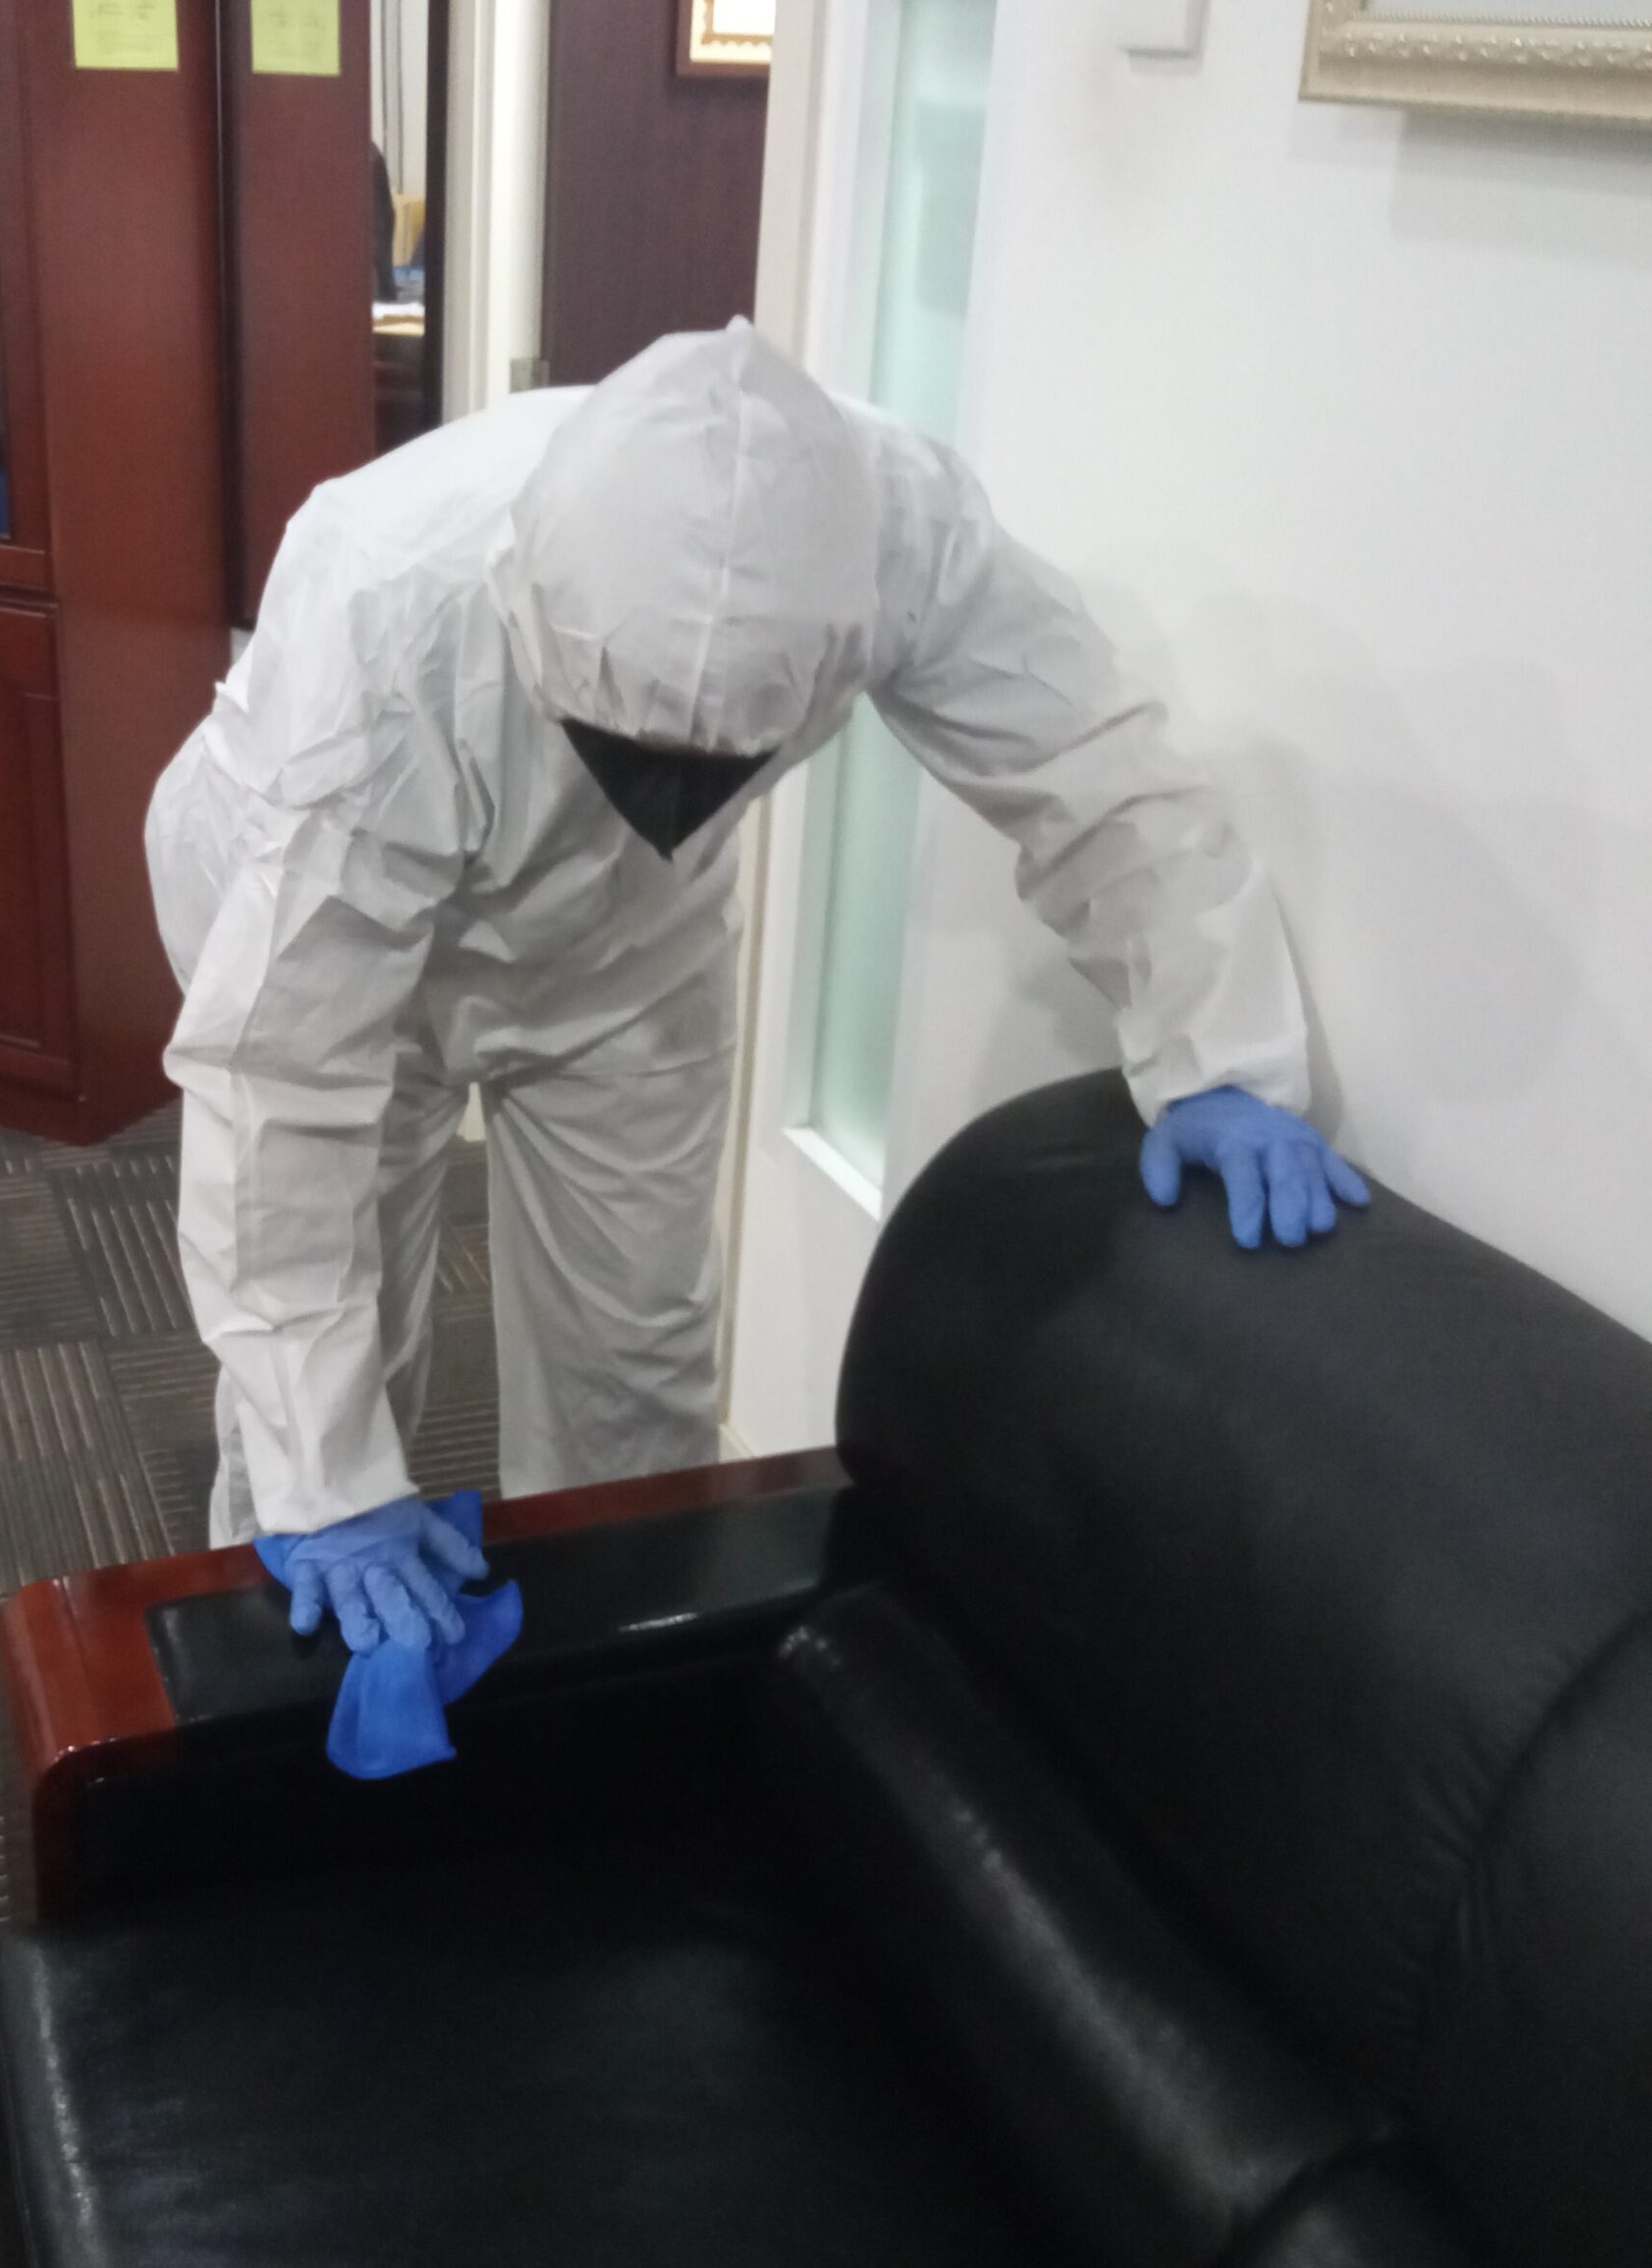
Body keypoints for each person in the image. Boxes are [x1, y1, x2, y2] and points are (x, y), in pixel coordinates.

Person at [146, 320, 1365, 1658]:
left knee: (633, 1369)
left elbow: (1091, 770)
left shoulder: (895, 529)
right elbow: (285, 1084)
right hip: (313, 919)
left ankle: (625, 1692)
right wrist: (333, 1484)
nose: (663, 796)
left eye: (708, 761)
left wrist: (1217, 1054)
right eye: (626, 742)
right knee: (334, 1359)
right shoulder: (388, 597)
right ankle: (266, 1709)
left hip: (624, 953)